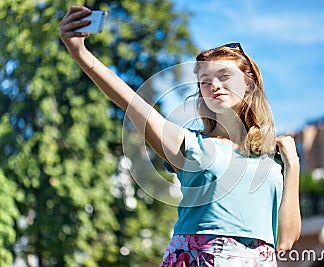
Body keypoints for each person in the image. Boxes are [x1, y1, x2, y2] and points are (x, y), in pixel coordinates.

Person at [60, 6, 301, 266]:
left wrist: (293, 165)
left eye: (224, 76)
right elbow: (129, 100)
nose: (214, 86)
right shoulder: (191, 145)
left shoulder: (273, 160)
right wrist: (81, 53)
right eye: (205, 81)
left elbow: (285, 240)